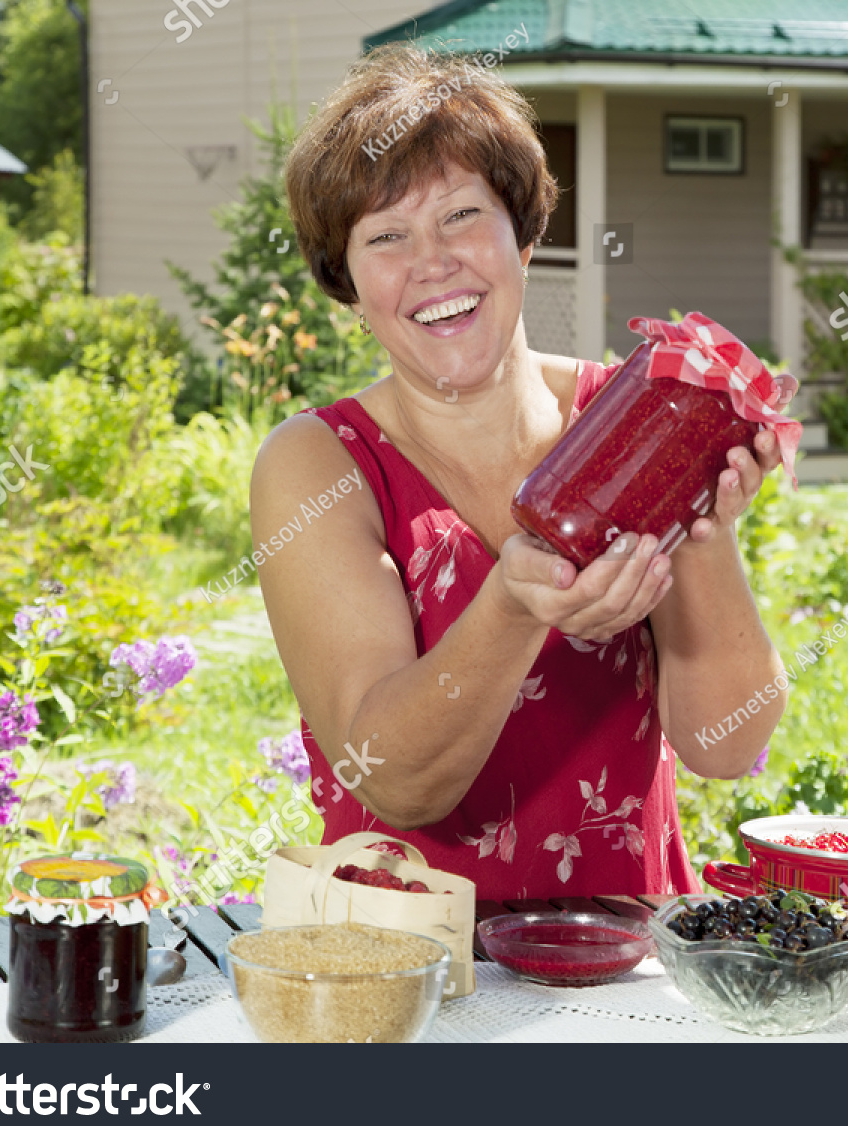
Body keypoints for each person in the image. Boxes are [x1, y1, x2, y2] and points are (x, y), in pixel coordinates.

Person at [251, 43, 792, 899]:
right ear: (347, 287)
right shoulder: (318, 461)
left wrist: (703, 528)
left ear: (526, 233)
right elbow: (391, 778)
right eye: (386, 236)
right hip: (409, 980)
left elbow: (728, 745)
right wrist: (511, 605)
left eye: (462, 216)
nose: (433, 262)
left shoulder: (630, 413)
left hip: (621, 965)